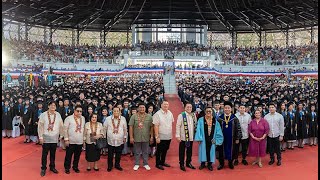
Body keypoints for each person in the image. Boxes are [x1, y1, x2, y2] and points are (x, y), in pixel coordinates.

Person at [38, 101, 64, 177]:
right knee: (44, 154)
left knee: (53, 154)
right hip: (46, 136)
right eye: (51, 105)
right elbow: (40, 127)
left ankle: (52, 167)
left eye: (54, 105)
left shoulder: (58, 114)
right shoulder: (43, 115)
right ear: (48, 106)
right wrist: (40, 137)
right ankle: (43, 168)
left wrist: (61, 135)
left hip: (54, 137)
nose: (53, 107)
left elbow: (61, 125)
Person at [195, 106, 223, 171]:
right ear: (205, 112)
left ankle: (210, 164)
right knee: (203, 150)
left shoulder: (215, 121)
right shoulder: (201, 120)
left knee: (211, 151)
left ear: (212, 112)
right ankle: (202, 163)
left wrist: (216, 139)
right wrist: (199, 138)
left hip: (212, 139)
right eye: (207, 111)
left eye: (209, 111)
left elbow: (218, 131)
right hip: (203, 139)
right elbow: (198, 129)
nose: (208, 112)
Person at [217, 101, 242, 170]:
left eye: (228, 108)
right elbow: (217, 129)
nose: (227, 109)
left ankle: (230, 163)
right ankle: (221, 163)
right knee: (221, 151)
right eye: (225, 108)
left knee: (232, 151)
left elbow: (238, 128)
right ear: (223, 109)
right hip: (222, 138)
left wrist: (237, 138)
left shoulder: (235, 118)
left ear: (231, 109)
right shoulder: (220, 118)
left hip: (232, 138)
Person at [129, 102, 154, 171]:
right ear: (138, 108)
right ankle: (137, 164)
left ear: (145, 108)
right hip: (136, 136)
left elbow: (152, 127)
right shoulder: (133, 116)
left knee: (145, 151)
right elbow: (131, 127)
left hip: (146, 137)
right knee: (136, 151)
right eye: (140, 107)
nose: (142, 109)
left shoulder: (149, 116)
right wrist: (131, 137)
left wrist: (151, 136)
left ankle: (145, 163)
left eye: (143, 107)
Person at [63, 105, 86, 174]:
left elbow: (84, 129)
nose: (79, 112)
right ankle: (67, 168)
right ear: (74, 111)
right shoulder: (69, 118)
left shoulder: (83, 118)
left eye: (80, 111)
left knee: (77, 155)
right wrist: (66, 139)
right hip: (71, 140)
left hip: (79, 140)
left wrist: (83, 140)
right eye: (77, 111)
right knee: (68, 155)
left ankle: (75, 167)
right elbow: (65, 129)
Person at [104, 107, 127, 172]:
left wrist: (125, 137)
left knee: (118, 154)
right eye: (114, 111)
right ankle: (110, 166)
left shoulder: (123, 119)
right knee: (110, 154)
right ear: (112, 112)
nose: (116, 112)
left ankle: (117, 165)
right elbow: (104, 128)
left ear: (120, 112)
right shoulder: (108, 119)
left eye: (117, 111)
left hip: (120, 139)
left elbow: (125, 128)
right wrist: (103, 137)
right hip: (110, 140)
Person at [153, 101, 174, 170]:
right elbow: (156, 126)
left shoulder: (170, 113)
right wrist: (157, 136)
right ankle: (158, 163)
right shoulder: (157, 114)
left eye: (167, 104)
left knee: (165, 149)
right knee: (159, 150)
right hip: (161, 135)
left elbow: (171, 123)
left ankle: (162, 162)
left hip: (168, 135)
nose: (166, 105)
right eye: (164, 104)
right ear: (161, 105)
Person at [176, 102, 197, 171]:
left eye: (190, 107)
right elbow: (178, 126)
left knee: (189, 151)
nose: (189, 108)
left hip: (191, 137)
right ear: (184, 108)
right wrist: (178, 135)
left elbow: (195, 125)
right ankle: (181, 164)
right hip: (183, 137)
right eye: (187, 107)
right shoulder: (181, 115)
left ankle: (188, 162)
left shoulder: (194, 115)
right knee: (182, 151)